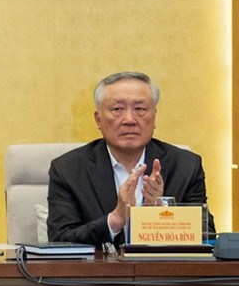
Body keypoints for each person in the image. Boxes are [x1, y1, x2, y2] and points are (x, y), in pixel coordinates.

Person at [46, 71, 210, 246]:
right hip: (99, 272)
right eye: (117, 109)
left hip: (164, 272)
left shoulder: (186, 166)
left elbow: (207, 235)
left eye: (140, 109)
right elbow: (60, 239)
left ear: (154, 117)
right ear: (98, 119)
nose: (129, 119)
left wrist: (160, 213)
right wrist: (116, 219)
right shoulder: (68, 169)